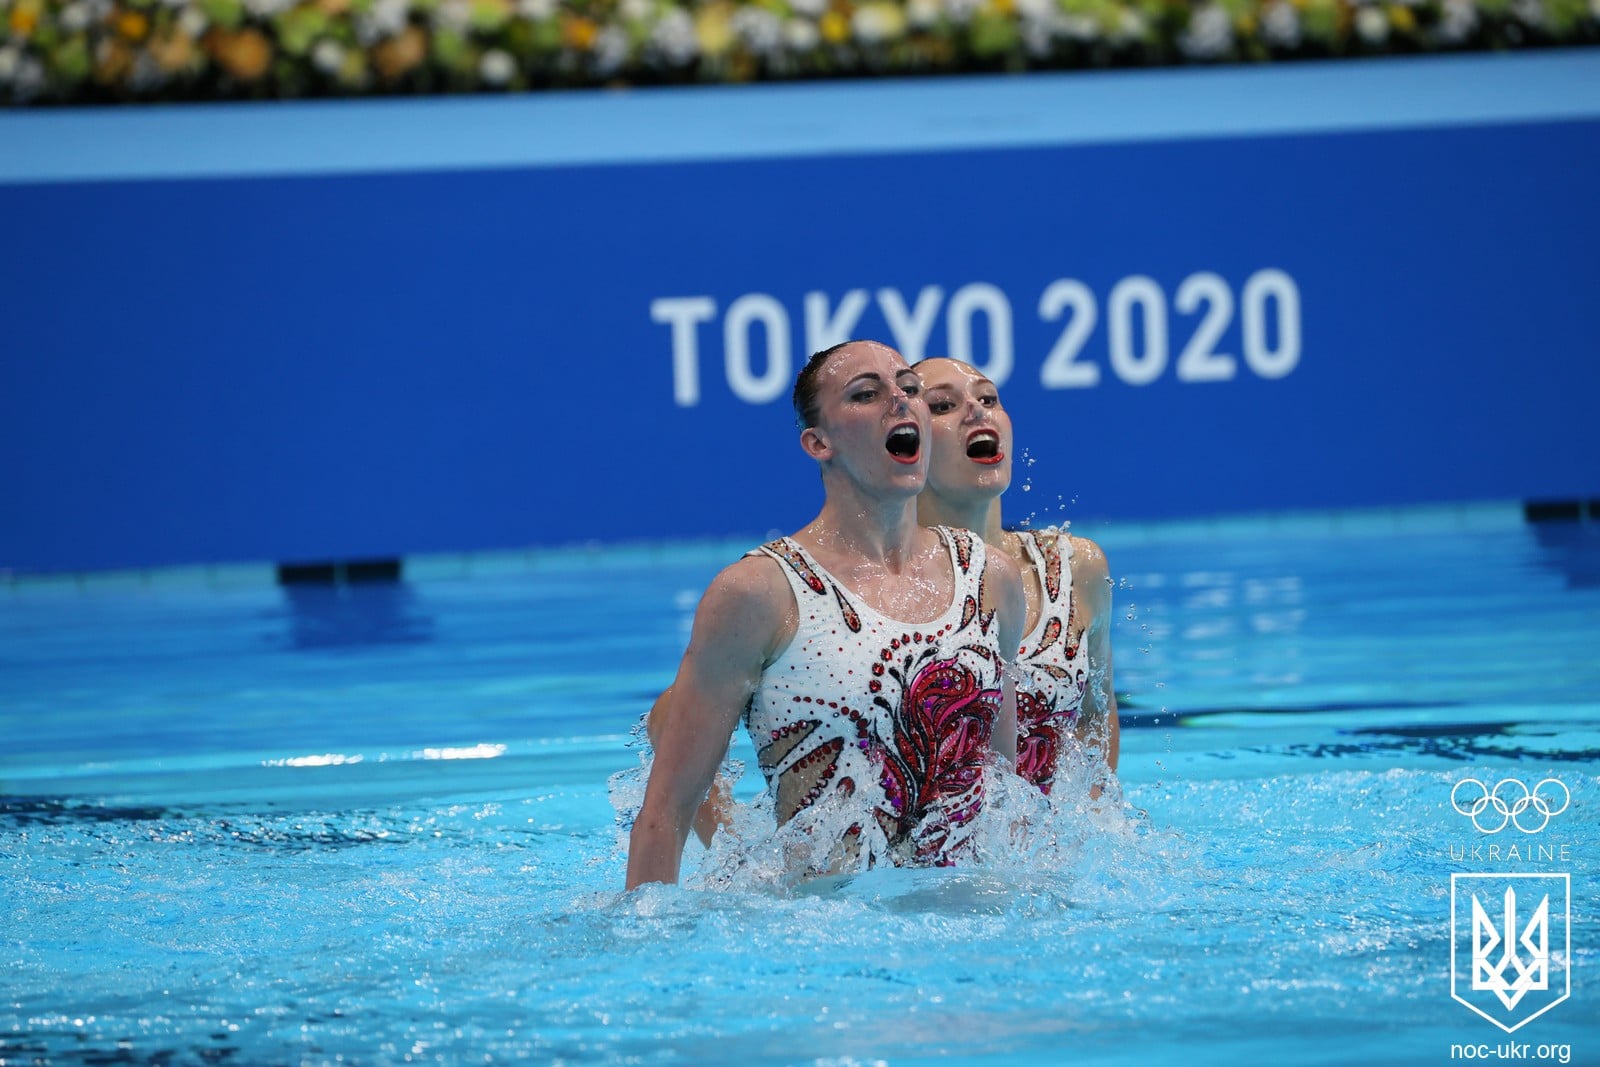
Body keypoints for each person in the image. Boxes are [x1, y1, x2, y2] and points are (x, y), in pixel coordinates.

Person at [626, 340, 1025, 889]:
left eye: (909, 389)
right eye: (867, 394)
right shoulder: (761, 592)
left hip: (969, 925)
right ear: (818, 442)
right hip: (826, 938)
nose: (899, 402)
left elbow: (1005, 796)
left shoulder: (990, 578)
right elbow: (664, 814)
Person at [913, 358, 1119, 796]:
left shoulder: (1075, 568)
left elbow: (1094, 715)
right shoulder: (890, 587)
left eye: (988, 398)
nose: (976, 410)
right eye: (944, 405)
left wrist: (1092, 822)